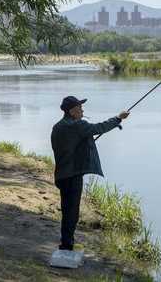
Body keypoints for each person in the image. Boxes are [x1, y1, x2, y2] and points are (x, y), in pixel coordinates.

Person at [51, 96, 130, 251]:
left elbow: (70, 145)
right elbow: (99, 128)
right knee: (71, 213)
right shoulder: (77, 125)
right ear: (72, 111)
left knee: (68, 210)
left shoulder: (58, 126)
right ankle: (66, 245)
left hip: (62, 175)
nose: (82, 110)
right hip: (72, 176)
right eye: (80, 108)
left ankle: (67, 242)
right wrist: (118, 118)